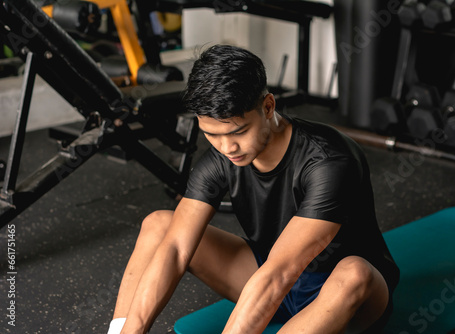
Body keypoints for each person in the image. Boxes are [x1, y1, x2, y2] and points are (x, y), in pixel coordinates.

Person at [107, 44, 399, 334]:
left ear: (268, 106)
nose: (226, 147)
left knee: (354, 273)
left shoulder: (328, 160)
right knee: (160, 226)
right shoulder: (221, 159)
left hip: (344, 294)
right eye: (212, 134)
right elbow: (176, 248)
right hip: (272, 276)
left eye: (238, 132)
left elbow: (281, 272)